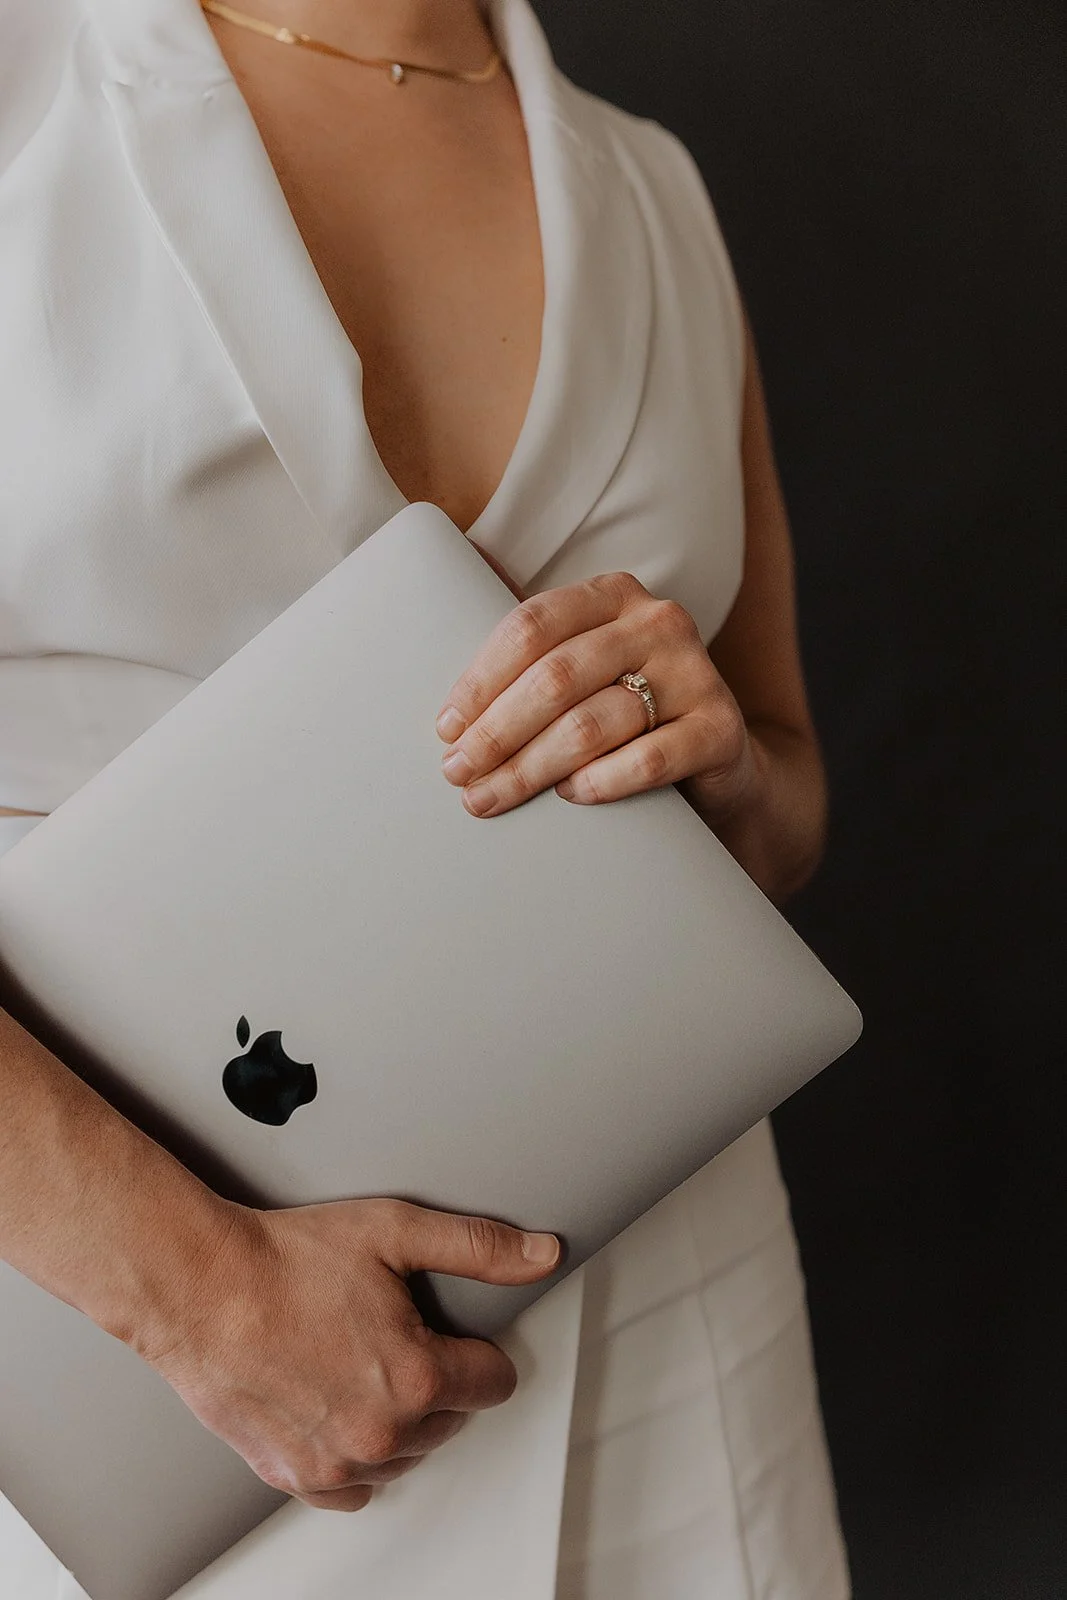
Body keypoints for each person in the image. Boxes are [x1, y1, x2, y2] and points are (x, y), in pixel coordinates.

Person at [0, 0, 850, 1595]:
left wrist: (713, 773)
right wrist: (202, 1295)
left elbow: (784, 789)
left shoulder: (647, 187)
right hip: (146, 1389)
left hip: (674, 1355)